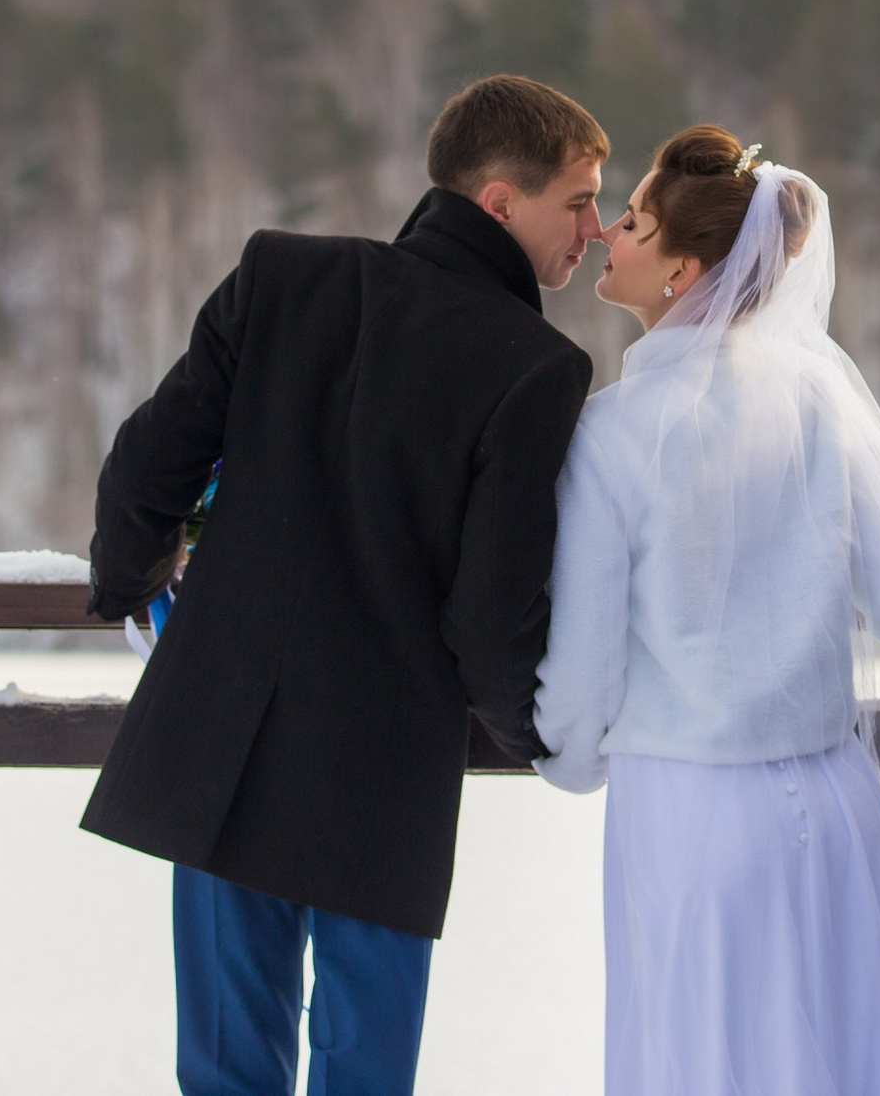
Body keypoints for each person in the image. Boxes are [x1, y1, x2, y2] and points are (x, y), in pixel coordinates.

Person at [82, 74, 608, 1096]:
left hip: (226, 732)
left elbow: (145, 471)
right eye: (579, 200)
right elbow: (491, 613)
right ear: (499, 201)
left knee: (228, 1072)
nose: (590, 230)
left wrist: (139, 595)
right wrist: (536, 733)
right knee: (363, 1077)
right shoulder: (536, 366)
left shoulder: (283, 278)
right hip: (381, 768)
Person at [534, 126, 880, 1096]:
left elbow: (582, 657)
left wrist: (571, 757)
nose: (607, 234)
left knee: (702, 1057)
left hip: (689, 814)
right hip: (832, 809)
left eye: (631, 222)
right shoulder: (810, 404)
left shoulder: (615, 435)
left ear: (683, 270)